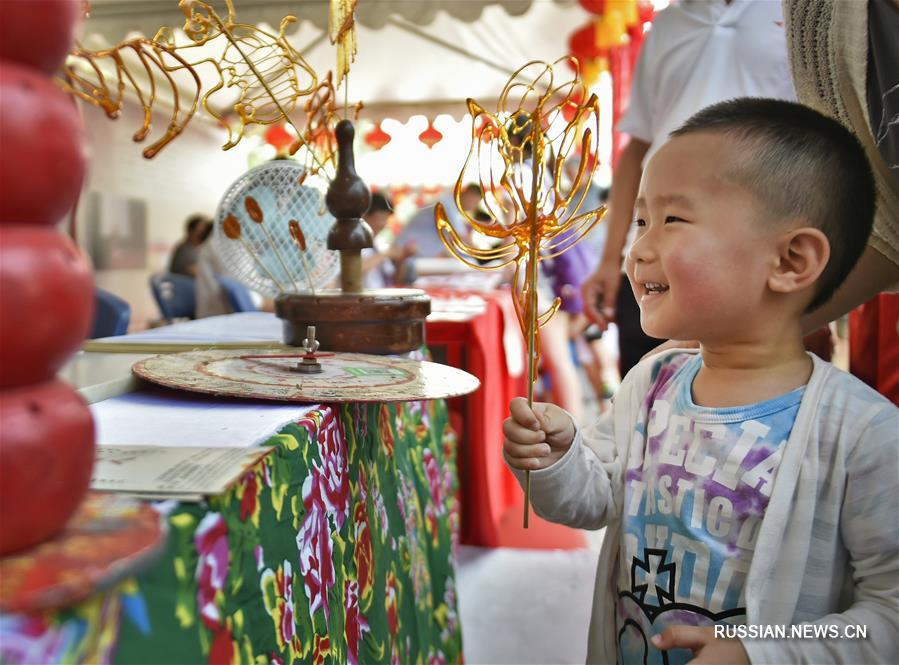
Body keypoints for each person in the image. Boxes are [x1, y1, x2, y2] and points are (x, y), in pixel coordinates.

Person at [503, 99, 898, 664]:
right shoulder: (652, 382)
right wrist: (558, 458)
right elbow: (592, 500)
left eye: (673, 220)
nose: (638, 248)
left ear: (790, 260)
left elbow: (887, 616)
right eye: (641, 220)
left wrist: (760, 652)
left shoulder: (864, 436)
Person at [580, 0, 796, 375]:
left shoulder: (802, 12)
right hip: (657, 248)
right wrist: (609, 259)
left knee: (761, 406)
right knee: (645, 396)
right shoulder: (666, 25)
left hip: (756, 252)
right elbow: (638, 145)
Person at [396, 183, 483, 258]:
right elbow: (460, 236)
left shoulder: (450, 205)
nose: (473, 206)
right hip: (407, 251)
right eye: (474, 202)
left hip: (416, 251)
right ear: (468, 194)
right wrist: (483, 255)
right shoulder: (446, 204)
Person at [361, 192, 416, 289]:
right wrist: (386, 254)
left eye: (385, 219)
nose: (383, 224)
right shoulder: (353, 243)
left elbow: (394, 280)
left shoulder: (379, 243)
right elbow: (354, 271)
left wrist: (402, 259)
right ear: (364, 216)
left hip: (382, 299)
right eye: (380, 218)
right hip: (365, 302)